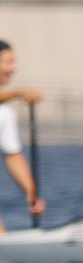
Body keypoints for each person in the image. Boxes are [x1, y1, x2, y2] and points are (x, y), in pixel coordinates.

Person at [0, 40, 40, 229]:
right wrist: (18, 92)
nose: (14, 68)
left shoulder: (5, 113)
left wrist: (32, 193)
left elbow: (13, 156)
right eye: (8, 62)